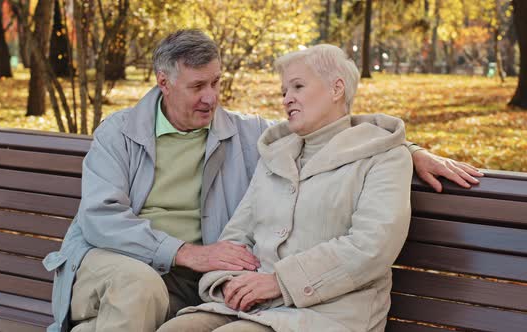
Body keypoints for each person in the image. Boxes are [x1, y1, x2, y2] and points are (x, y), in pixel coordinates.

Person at [43, 29, 483, 332]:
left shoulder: (243, 132)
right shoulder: (119, 132)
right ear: (164, 83)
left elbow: (331, 129)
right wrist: (187, 252)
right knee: (138, 289)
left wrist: (407, 149)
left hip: (196, 280)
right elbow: (102, 219)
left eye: (216, 83)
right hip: (114, 257)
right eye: (198, 87)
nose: (211, 98)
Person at [156, 43, 412, 332]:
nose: (287, 99)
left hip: (330, 314)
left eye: (298, 87)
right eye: (284, 92)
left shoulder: (383, 156)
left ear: (337, 89)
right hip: (253, 307)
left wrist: (280, 282)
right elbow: (238, 234)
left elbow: (371, 247)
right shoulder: (277, 155)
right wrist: (229, 281)